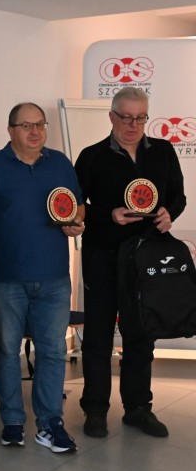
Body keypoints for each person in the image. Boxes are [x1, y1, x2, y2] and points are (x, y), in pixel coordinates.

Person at [0, 102, 84, 453]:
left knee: (53, 352)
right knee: (7, 352)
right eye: (26, 126)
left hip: (54, 277)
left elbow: (78, 206)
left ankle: (50, 424)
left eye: (40, 124)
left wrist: (77, 222)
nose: (35, 132)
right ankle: (13, 421)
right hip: (5, 278)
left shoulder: (61, 164)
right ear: (10, 130)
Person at [75, 87, 186, 438]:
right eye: (126, 117)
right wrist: (108, 215)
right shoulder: (91, 156)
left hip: (146, 259)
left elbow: (178, 197)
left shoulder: (163, 151)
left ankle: (138, 408)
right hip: (103, 257)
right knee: (98, 335)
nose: (133, 124)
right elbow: (76, 207)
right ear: (111, 117)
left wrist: (169, 213)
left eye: (140, 117)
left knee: (141, 334)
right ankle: (95, 409)